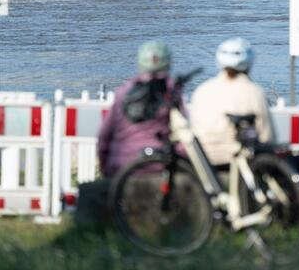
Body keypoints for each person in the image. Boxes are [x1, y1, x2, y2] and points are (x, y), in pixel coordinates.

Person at [96, 41, 185, 177]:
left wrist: (105, 169)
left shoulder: (123, 92)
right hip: (159, 166)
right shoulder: (172, 91)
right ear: (168, 63)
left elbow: (104, 136)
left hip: (122, 167)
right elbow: (185, 133)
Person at [190, 38, 274, 167]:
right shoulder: (255, 92)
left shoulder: (202, 90)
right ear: (249, 63)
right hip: (238, 162)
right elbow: (267, 135)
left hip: (203, 162)